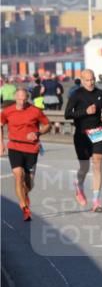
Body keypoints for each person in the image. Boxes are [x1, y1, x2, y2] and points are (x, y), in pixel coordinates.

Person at [64, 69, 102, 212]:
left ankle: (96, 201)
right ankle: (78, 185)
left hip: (97, 131)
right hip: (81, 134)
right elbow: (67, 114)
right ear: (82, 80)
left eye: (92, 79)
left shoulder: (101, 94)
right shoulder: (76, 94)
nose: (90, 82)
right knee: (84, 167)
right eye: (87, 80)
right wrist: (85, 112)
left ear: (95, 78)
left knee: (97, 163)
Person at [1, 88, 51, 221]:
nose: (22, 102)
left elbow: (47, 125)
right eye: (19, 98)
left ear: (27, 98)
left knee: (29, 184)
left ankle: (25, 194)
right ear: (15, 97)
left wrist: (38, 133)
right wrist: (1, 144)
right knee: (18, 175)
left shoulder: (35, 111)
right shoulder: (7, 111)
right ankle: (24, 208)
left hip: (31, 148)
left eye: (24, 99)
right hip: (15, 147)